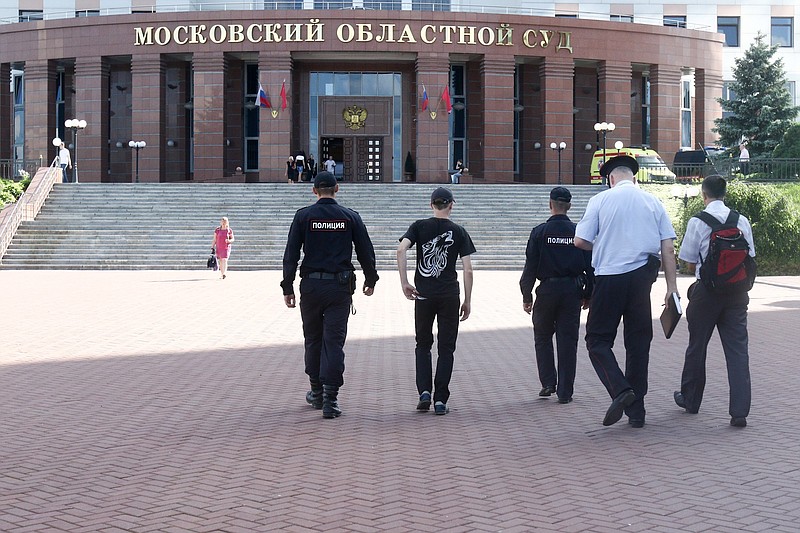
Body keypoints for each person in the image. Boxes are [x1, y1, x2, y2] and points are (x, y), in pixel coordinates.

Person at [574, 155, 678, 428]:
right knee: (638, 343)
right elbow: (668, 248)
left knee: (597, 340)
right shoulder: (653, 201)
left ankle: (621, 390)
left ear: (610, 179)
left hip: (609, 278)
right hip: (642, 279)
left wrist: (604, 245)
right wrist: (671, 289)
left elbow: (580, 240)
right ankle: (637, 413)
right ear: (634, 177)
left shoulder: (600, 200)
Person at [281, 171, 379, 419]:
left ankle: (316, 391)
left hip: (311, 287)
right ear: (337, 189)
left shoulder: (304, 216)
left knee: (313, 339)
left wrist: (287, 286)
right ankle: (330, 399)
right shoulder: (350, 217)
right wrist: (371, 279)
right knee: (333, 342)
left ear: (314, 191)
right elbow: (365, 251)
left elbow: (291, 253)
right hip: (339, 288)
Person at [674, 175, 755, 428]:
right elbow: (750, 256)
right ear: (725, 193)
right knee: (738, 350)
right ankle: (739, 411)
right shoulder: (740, 220)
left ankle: (691, 399)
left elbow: (688, 261)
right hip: (737, 294)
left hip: (706, 294)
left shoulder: (698, 221)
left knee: (697, 346)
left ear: (703, 194)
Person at [397, 187, 475, 415]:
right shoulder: (459, 231)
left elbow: (401, 250)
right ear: (452, 204)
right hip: (450, 295)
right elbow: (468, 270)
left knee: (422, 344)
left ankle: (424, 392)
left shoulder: (419, 226)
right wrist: (468, 300)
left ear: (431, 204)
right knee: (446, 348)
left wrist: (404, 282)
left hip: (424, 294)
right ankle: (440, 399)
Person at [520, 187, 594, 405]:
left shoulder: (539, 232)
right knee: (568, 340)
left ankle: (548, 382)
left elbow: (530, 267)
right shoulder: (578, 232)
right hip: (572, 291)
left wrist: (526, 295)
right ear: (569, 206)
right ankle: (565, 391)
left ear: (550, 204)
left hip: (546, 291)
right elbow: (590, 268)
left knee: (542, 336)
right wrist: (588, 294)